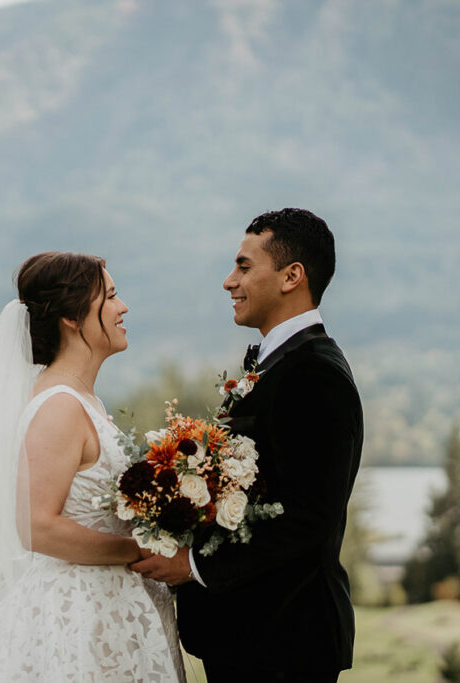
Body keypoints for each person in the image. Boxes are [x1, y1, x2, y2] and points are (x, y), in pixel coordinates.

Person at [0, 252, 185, 682]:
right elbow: (36, 527)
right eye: (112, 297)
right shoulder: (59, 407)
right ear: (72, 317)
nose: (124, 308)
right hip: (78, 614)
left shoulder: (83, 400)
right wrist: (136, 550)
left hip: (112, 607)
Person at [132, 209, 364, 682]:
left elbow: (309, 518)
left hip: (285, 639)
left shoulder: (314, 373)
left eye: (243, 266)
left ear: (291, 276)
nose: (228, 282)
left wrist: (193, 565)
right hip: (253, 638)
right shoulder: (278, 366)